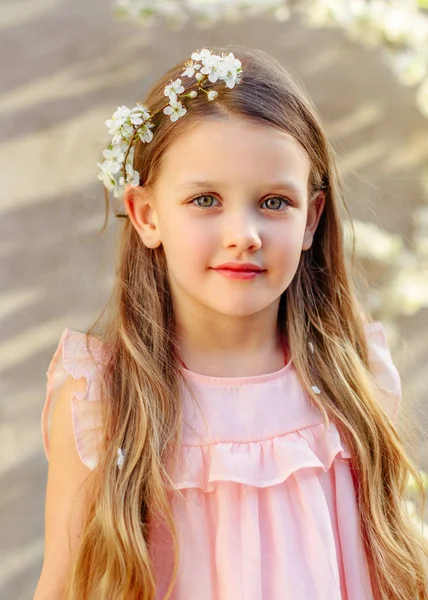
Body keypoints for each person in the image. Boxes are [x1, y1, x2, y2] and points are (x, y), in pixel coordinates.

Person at [34, 46, 428, 600]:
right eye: (205, 199)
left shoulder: (355, 374)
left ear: (311, 218)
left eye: (273, 202)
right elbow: (62, 585)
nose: (243, 233)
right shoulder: (103, 398)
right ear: (147, 214)